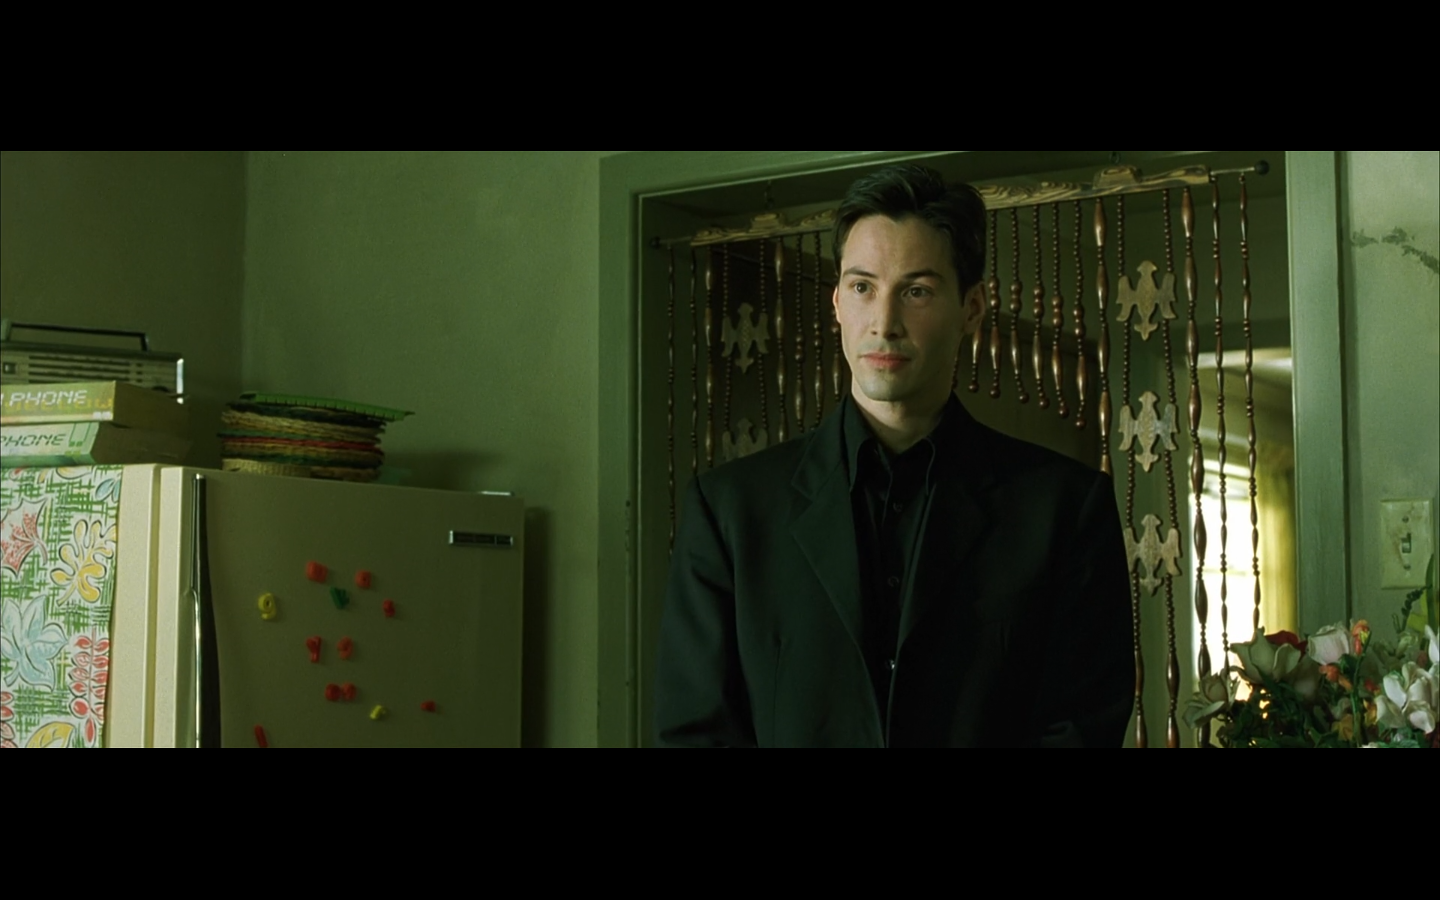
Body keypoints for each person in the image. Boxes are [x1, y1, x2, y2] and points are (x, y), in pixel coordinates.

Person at [654, 164, 1134, 747]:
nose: (884, 324)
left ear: (972, 307)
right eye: (863, 288)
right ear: (837, 302)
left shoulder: (1062, 508)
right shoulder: (731, 510)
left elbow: (1081, 727)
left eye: (916, 291)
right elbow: (696, 732)